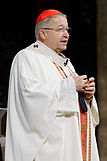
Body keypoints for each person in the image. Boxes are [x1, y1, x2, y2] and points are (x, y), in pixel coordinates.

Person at [5, 9, 100, 161]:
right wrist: (70, 87)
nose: (66, 34)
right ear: (43, 33)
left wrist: (85, 96)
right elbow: (29, 98)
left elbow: (70, 95)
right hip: (50, 147)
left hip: (70, 140)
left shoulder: (65, 63)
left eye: (67, 29)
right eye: (60, 29)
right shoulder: (27, 57)